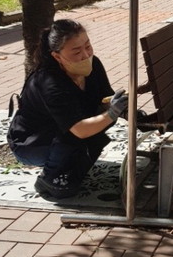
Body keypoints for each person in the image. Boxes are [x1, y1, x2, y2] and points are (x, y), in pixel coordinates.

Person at [8, 18, 129, 200]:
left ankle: (69, 169)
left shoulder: (93, 65)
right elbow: (80, 129)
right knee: (78, 137)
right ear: (57, 56)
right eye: (76, 51)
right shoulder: (49, 82)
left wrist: (127, 110)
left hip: (66, 131)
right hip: (32, 143)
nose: (85, 55)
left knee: (98, 129)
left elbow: (106, 98)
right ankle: (48, 179)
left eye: (88, 46)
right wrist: (112, 113)